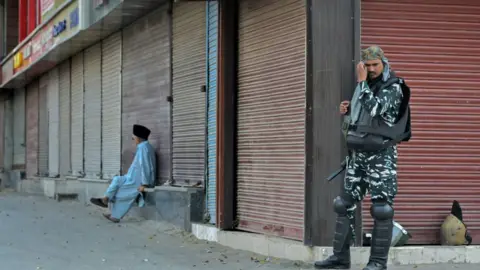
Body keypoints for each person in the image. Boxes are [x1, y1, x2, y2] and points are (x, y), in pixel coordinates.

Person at [314, 46, 411, 270]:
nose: (370, 69)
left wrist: (361, 83)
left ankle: (377, 263)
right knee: (343, 204)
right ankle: (340, 259)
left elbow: (376, 110)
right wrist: (347, 110)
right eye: (366, 66)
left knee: (381, 208)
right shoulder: (366, 86)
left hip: (381, 156)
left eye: (374, 65)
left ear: (384, 63)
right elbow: (363, 116)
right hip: (358, 155)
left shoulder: (393, 87)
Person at [90, 124, 156, 223]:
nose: (133, 139)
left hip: (137, 180)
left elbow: (145, 166)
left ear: (138, 138)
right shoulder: (143, 146)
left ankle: (115, 216)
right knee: (117, 180)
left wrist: (144, 184)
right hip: (130, 177)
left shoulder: (144, 148)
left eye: (134, 137)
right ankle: (105, 199)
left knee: (121, 195)